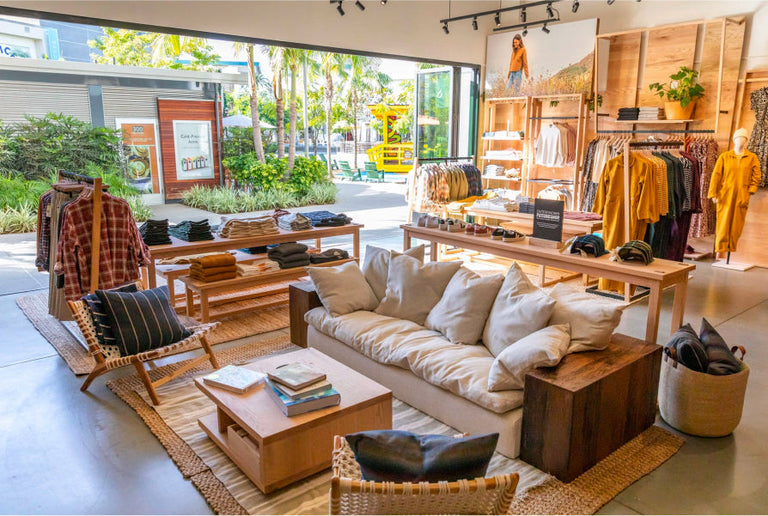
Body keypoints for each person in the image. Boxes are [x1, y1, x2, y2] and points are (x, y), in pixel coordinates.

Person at [708, 127, 761, 255]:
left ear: (746, 141)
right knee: (723, 221)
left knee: (737, 222)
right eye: (738, 138)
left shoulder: (752, 157)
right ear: (734, 140)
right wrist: (713, 193)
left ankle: (731, 247)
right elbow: (716, 176)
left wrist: (751, 190)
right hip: (725, 193)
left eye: (743, 138)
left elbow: (757, 175)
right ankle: (721, 248)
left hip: (742, 193)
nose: (740, 141)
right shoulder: (725, 157)